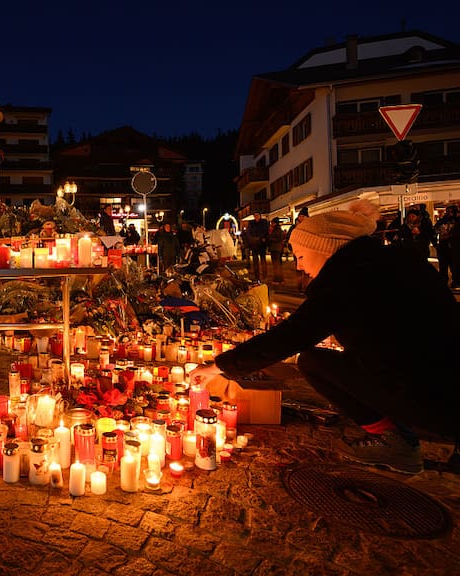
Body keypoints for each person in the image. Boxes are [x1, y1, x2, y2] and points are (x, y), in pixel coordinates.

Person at [189, 200, 459, 475]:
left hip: (429, 396)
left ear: (324, 249)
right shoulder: (393, 260)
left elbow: (289, 337)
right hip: (446, 378)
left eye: (301, 257)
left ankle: (396, 442)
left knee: (313, 362)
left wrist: (217, 367)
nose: (299, 267)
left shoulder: (350, 280)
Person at [434, 205, 459, 286]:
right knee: (443, 266)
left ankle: (456, 281)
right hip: (443, 246)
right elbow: (435, 230)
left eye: (451, 212)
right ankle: (444, 281)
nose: (449, 213)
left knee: (455, 266)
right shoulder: (442, 221)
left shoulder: (457, 221)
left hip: (454, 247)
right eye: (448, 211)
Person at [287, 207, 310, 291]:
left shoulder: (310, 226)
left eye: (303, 216)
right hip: (297, 252)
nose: (301, 218)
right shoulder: (294, 227)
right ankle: (299, 286)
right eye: (300, 216)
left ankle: (307, 287)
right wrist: (292, 249)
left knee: (307, 270)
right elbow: (289, 238)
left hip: (307, 251)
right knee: (299, 269)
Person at [244, 213, 269, 281]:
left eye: (257, 215)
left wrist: (261, 238)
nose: (256, 217)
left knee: (263, 260)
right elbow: (248, 233)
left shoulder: (264, 222)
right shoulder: (251, 223)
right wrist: (252, 239)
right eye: (255, 215)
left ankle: (264, 275)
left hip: (262, 244)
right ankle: (257, 276)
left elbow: (266, 231)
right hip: (254, 245)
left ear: (260, 216)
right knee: (255, 261)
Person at [267, 217, 285, 284]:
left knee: (276, 264)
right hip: (276, 248)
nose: (271, 224)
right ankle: (279, 279)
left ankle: (278, 279)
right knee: (277, 264)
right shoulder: (277, 229)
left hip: (275, 248)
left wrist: (269, 237)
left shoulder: (277, 230)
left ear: (275, 223)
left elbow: (278, 239)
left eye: (272, 223)